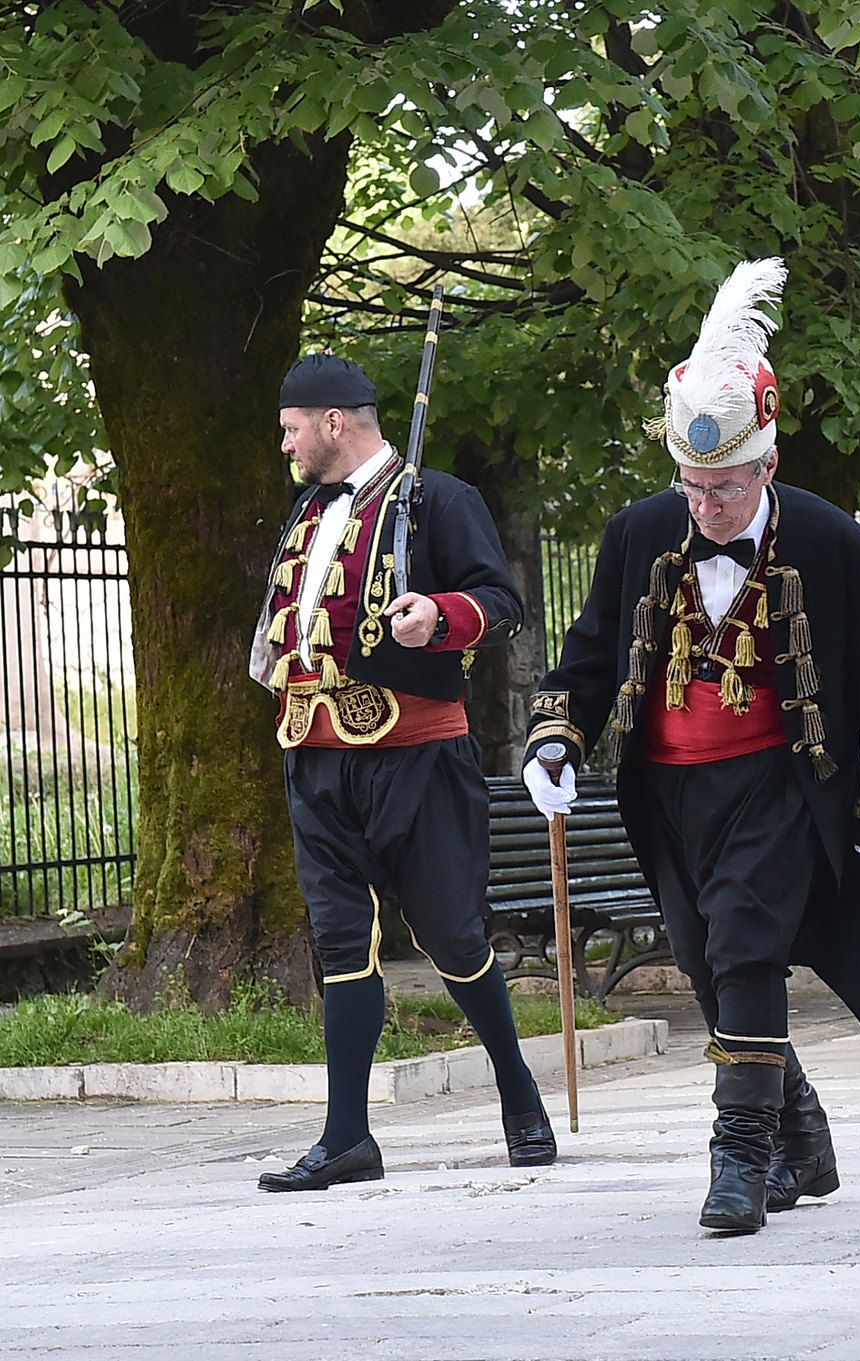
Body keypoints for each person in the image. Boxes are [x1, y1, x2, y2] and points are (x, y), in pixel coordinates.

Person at [522, 259, 860, 1233]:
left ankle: (736, 1163)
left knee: (746, 952)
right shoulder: (638, 530)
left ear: (768, 466)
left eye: (723, 487)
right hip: (667, 795)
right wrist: (553, 741)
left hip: (779, 787)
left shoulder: (837, 546)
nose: (702, 506)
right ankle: (802, 1133)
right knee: (709, 967)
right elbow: (585, 659)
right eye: (690, 485)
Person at [251, 354, 552, 1191]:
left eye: (291, 430)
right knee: (341, 942)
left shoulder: (439, 501)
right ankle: (347, 1136)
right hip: (314, 755)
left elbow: (502, 600)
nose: (286, 446)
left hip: (416, 752)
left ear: (333, 424)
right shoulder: (308, 512)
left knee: (454, 937)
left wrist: (439, 614)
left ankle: (518, 1089)